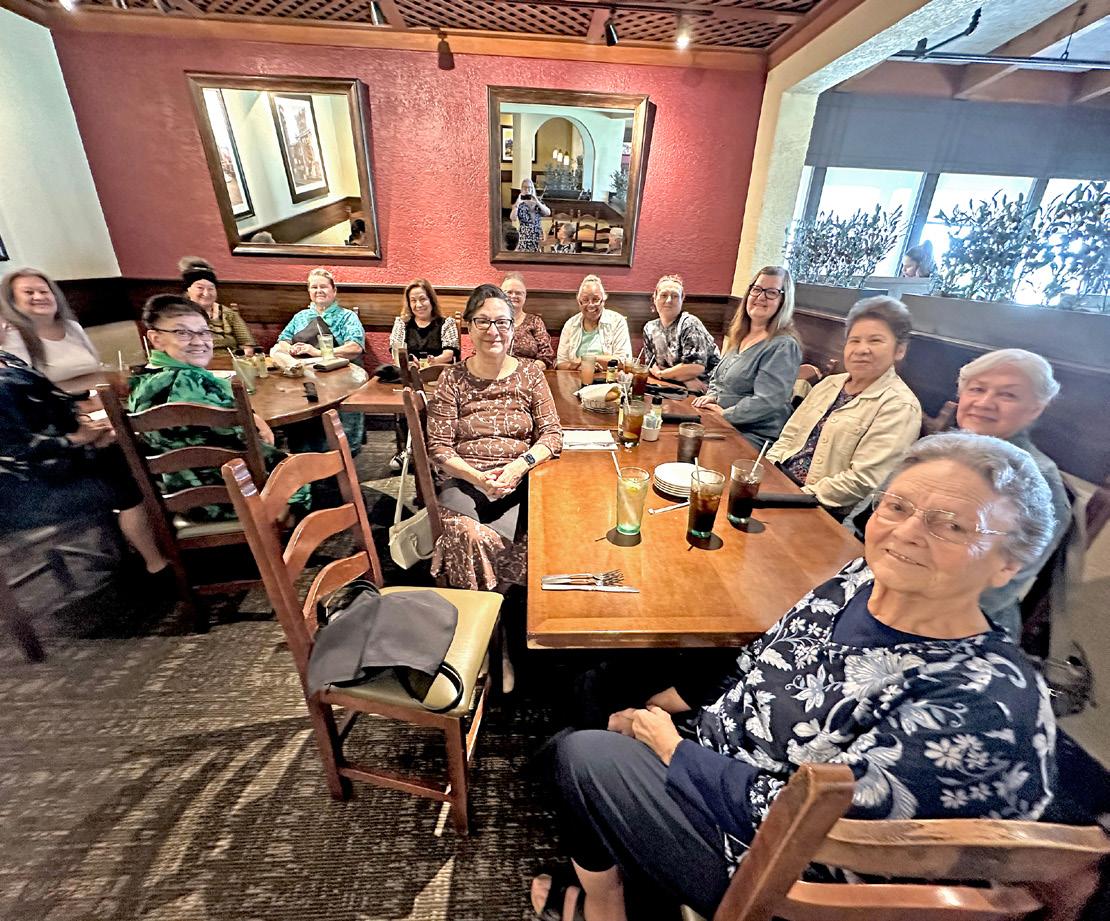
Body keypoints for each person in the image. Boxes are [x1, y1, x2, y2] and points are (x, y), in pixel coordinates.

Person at [536, 433, 1058, 921]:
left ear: (1007, 565)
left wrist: (671, 748)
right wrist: (669, 706)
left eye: (952, 526)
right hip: (728, 763)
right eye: (897, 506)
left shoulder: (982, 698)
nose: (906, 533)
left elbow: (821, 833)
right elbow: (766, 659)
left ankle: (606, 901)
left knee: (579, 754)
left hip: (780, 871)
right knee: (596, 695)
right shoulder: (858, 579)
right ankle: (621, 873)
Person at [0, 320, 170, 582]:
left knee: (130, 450)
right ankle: (156, 566)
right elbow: (16, 451)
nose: (5, 323)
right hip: (26, 492)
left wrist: (89, 429)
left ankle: (140, 548)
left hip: (55, 464)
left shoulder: (7, 359)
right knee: (128, 479)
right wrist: (77, 440)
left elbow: (52, 403)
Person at [426, 283, 562, 594]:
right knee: (472, 535)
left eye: (502, 322)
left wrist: (519, 466)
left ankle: (510, 604)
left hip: (522, 480)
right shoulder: (452, 378)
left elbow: (552, 434)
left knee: (554, 525)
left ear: (513, 327)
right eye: (483, 321)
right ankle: (484, 610)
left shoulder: (531, 374)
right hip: (465, 481)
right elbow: (439, 446)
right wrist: (478, 478)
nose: (493, 331)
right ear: (469, 327)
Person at [129, 295, 307, 520]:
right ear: (156, 338)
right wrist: (294, 463)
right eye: (182, 333)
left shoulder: (145, 380)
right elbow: (251, 449)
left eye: (204, 332)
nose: (198, 341)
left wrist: (252, 417)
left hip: (182, 494)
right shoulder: (188, 383)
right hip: (231, 499)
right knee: (318, 473)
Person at [953, 349, 1070, 640]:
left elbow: (999, 587)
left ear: (1035, 409)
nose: (984, 402)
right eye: (977, 389)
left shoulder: (1036, 479)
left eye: (1007, 395)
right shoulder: (945, 448)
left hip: (961, 621)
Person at [766, 296, 921, 514]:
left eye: (875, 341)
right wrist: (767, 472)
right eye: (854, 340)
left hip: (819, 508)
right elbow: (789, 435)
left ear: (899, 350)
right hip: (779, 484)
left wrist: (794, 497)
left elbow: (863, 480)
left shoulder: (899, 405)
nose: (862, 349)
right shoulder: (830, 384)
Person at [692, 266, 802, 446]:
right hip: (721, 424)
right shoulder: (740, 335)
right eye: (756, 289)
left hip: (752, 436)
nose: (761, 297)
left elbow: (767, 401)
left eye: (771, 292)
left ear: (784, 301)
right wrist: (712, 397)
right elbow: (718, 380)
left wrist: (725, 415)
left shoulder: (783, 345)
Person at [272, 267, 366, 454]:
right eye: (314, 287)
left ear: (334, 290)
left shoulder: (347, 316)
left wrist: (317, 352)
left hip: (338, 378)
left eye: (323, 286)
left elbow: (355, 347)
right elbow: (282, 340)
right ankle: (304, 455)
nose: (319, 291)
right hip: (304, 377)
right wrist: (290, 348)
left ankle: (338, 455)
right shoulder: (300, 317)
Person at [0, 268, 100, 384]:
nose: (39, 297)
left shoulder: (72, 326)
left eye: (44, 291)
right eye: (29, 292)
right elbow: (22, 386)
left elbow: (96, 366)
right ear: (12, 301)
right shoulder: (11, 335)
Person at [640, 274, 720, 393]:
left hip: (705, 391)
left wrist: (662, 374)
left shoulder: (689, 324)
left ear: (682, 299)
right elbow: (651, 365)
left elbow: (695, 367)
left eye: (675, 296)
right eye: (663, 295)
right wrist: (686, 379)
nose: (669, 300)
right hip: (673, 386)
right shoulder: (650, 328)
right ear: (655, 298)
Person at [555, 275, 632, 370]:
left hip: (609, 376)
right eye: (585, 300)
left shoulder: (618, 321)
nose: (590, 305)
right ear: (579, 302)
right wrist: (579, 367)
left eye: (595, 299)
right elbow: (561, 363)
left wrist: (589, 359)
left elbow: (623, 361)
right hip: (577, 376)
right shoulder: (570, 325)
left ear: (603, 301)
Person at [178, 257, 254, 352]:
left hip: (229, 359)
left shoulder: (229, 314)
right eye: (200, 288)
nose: (206, 293)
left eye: (211, 289)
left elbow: (247, 344)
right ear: (188, 290)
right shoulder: (176, 314)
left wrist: (246, 352)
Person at [388, 279, 459, 366]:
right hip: (409, 371)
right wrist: (410, 363)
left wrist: (426, 363)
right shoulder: (401, 324)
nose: (418, 305)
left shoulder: (447, 323)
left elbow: (448, 356)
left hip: (438, 370)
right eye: (413, 301)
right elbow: (396, 354)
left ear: (431, 300)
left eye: (423, 299)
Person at [502, 272, 554, 369]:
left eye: (519, 293)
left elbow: (546, 356)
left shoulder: (535, 321)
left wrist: (531, 370)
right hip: (498, 372)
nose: (513, 296)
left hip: (528, 371)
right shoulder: (492, 321)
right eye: (509, 292)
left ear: (525, 296)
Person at [511, 178, 551, 253]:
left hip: (537, 235)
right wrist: (517, 204)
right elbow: (513, 218)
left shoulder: (538, 202)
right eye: (525, 187)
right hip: (524, 236)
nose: (527, 190)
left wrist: (537, 201)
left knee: (536, 257)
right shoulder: (519, 204)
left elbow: (548, 213)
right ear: (521, 189)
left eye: (529, 187)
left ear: (533, 189)